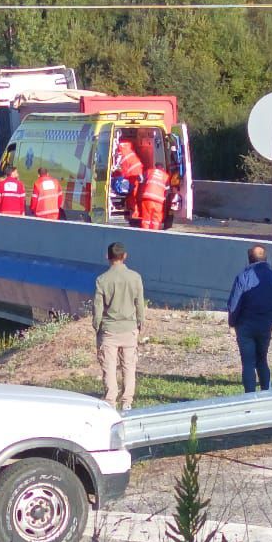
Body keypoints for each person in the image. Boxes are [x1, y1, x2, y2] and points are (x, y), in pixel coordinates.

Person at [227, 245, 272, 393]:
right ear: (266, 258)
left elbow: (234, 304)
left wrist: (233, 322)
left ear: (249, 260)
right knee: (262, 360)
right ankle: (266, 392)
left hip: (245, 324)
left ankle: (250, 396)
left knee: (248, 363)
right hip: (265, 323)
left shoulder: (243, 276)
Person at [93, 242, 146, 410]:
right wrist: (140, 322)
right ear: (125, 256)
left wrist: (97, 326)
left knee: (109, 367)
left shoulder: (102, 280)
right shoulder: (135, 277)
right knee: (129, 366)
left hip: (109, 329)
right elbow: (139, 303)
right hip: (129, 328)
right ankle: (127, 402)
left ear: (107, 257)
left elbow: (98, 307)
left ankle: (110, 400)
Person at [138, 165, 171, 230]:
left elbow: (139, 178)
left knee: (146, 219)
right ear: (163, 169)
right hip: (159, 201)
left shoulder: (150, 171)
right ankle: (154, 235)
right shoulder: (166, 176)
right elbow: (167, 191)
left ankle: (145, 234)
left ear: (155, 167)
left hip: (147, 198)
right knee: (156, 220)